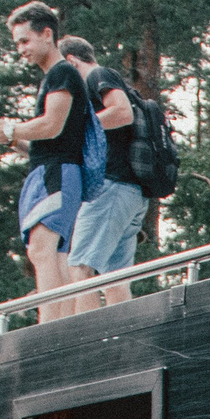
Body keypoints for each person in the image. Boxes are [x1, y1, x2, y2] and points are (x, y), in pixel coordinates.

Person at [0, 2, 90, 322]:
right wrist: (8, 137)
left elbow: (52, 125)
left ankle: (49, 326)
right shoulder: (54, 76)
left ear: (47, 34)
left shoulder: (61, 72)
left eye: (25, 41)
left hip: (58, 175)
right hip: (52, 171)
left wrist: (9, 128)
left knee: (43, 250)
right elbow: (44, 143)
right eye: (17, 43)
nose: (20, 50)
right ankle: (62, 323)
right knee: (55, 254)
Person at [59, 36, 146, 312]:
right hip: (130, 192)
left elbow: (123, 112)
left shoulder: (98, 75)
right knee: (114, 276)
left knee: (80, 267)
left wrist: (76, 126)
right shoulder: (94, 94)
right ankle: (123, 337)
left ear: (71, 61)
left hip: (112, 186)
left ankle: (86, 343)